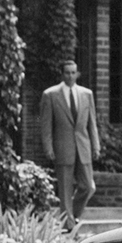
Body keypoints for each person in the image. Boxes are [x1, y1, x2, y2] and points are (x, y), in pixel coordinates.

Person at [38, 60, 101, 219]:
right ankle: (68, 224)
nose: (71, 76)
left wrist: (96, 146)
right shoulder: (50, 95)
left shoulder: (87, 94)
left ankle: (70, 215)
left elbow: (92, 123)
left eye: (73, 73)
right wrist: (48, 148)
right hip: (62, 146)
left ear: (77, 74)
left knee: (88, 186)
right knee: (65, 189)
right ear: (62, 74)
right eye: (67, 73)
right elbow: (46, 125)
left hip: (83, 146)